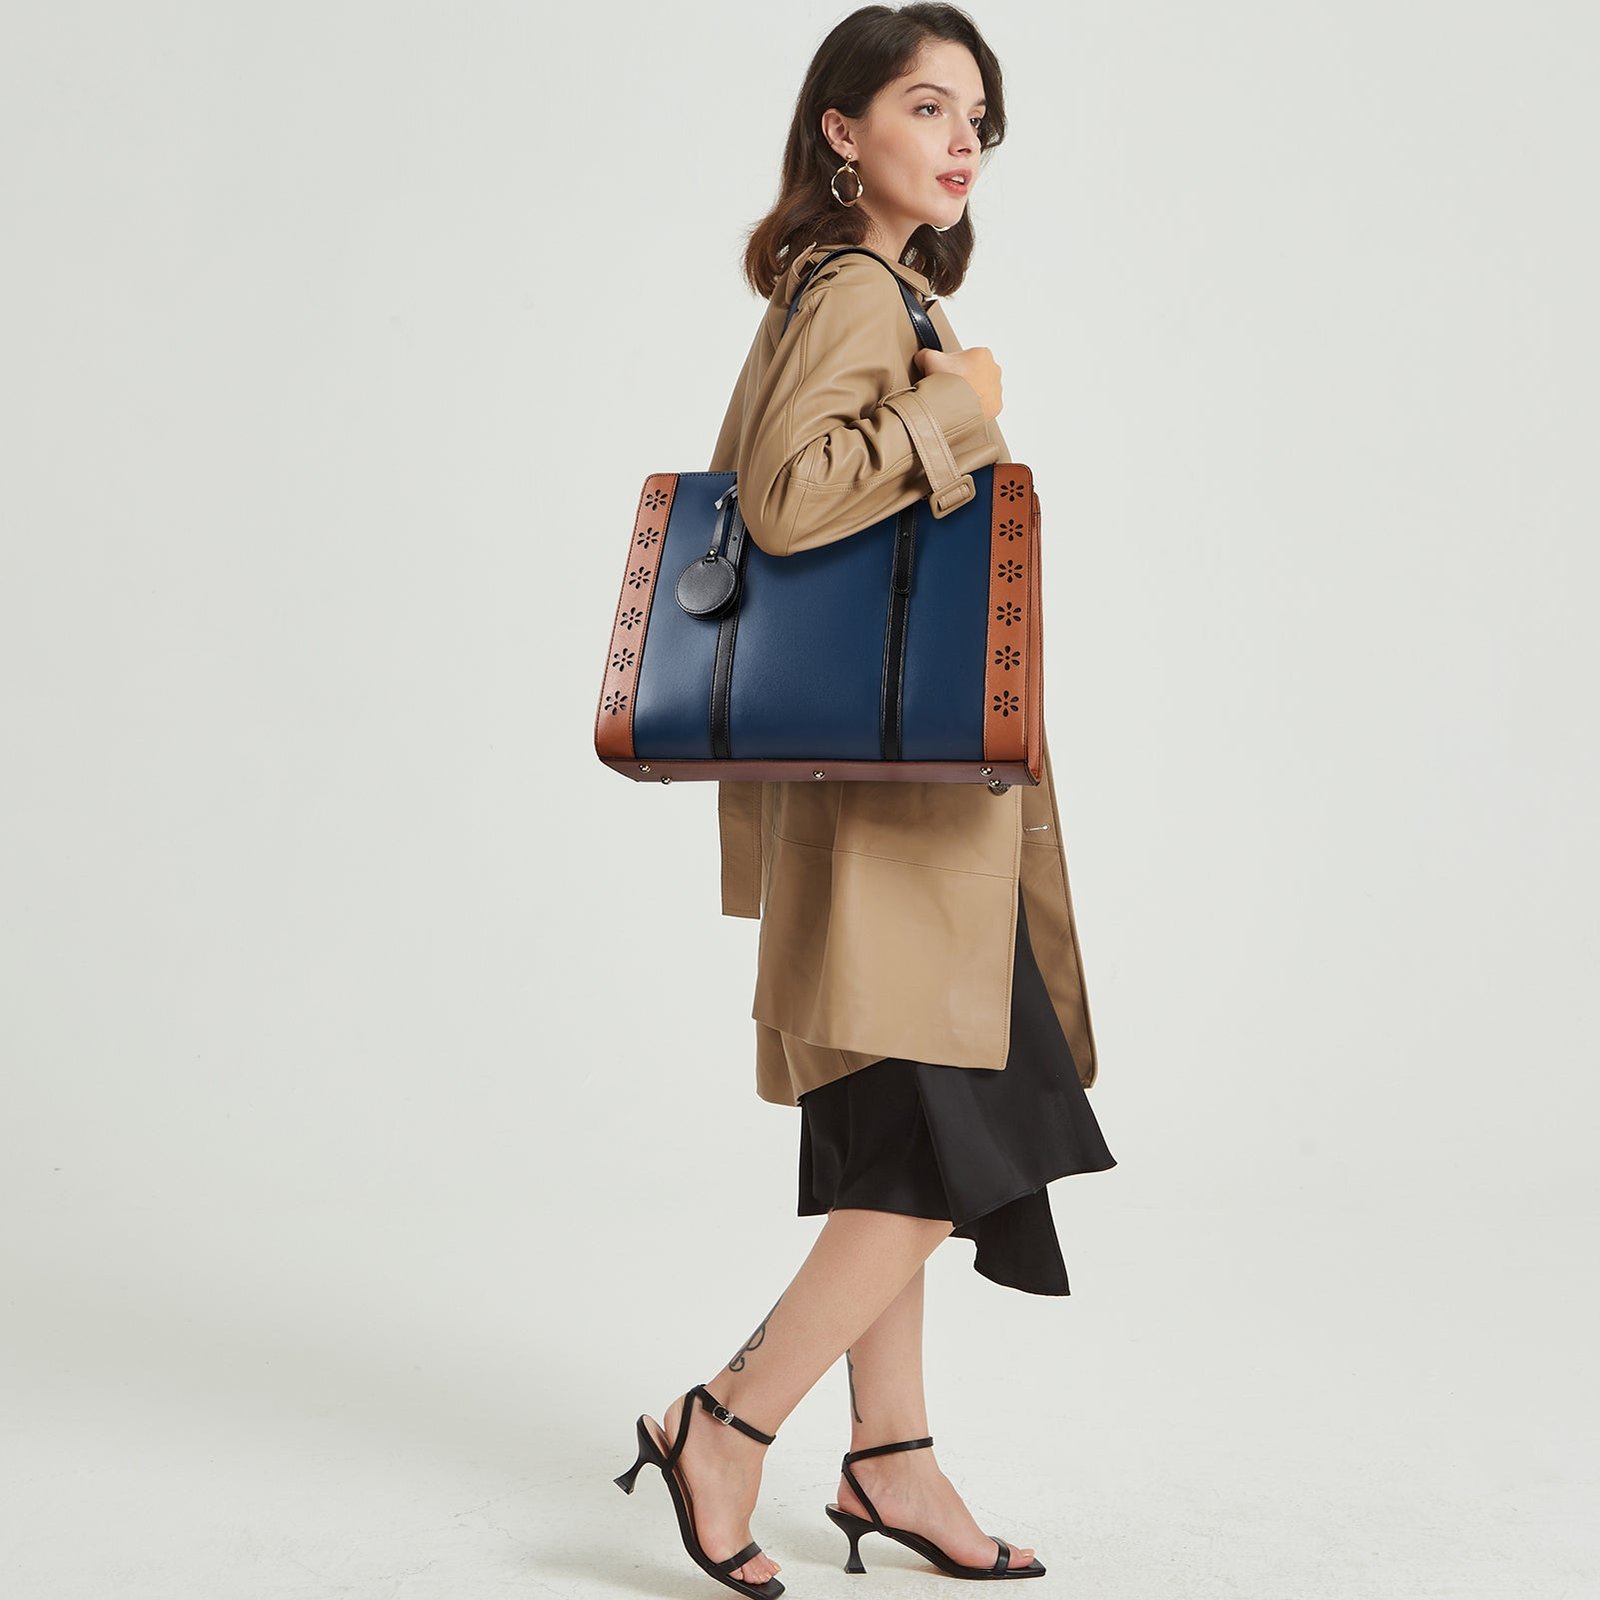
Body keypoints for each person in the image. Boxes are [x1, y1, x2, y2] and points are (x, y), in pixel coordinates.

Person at [613, 6, 1115, 1595]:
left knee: (900, 1142)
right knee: (953, 1144)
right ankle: (726, 1422)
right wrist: (960, 400)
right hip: (901, 820)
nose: (962, 141)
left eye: (977, 117)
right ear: (843, 129)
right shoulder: (850, 291)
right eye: (926, 106)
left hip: (885, 804)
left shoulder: (868, 289)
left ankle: (890, 1458)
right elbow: (784, 500)